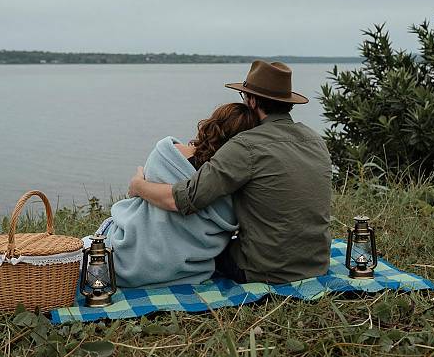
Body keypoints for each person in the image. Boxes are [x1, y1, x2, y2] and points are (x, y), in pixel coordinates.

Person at [129, 60, 332, 284]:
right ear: (287, 102)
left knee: (207, 250)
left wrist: (138, 185)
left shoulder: (246, 145)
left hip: (265, 271)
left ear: (252, 101)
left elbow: (183, 200)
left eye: (245, 97)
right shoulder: (316, 140)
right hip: (317, 264)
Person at [91, 102, 259, 288]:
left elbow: (146, 192)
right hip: (185, 270)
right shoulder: (235, 186)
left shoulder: (167, 155)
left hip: (131, 257)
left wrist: (139, 183)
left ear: (213, 124)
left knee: (98, 239)